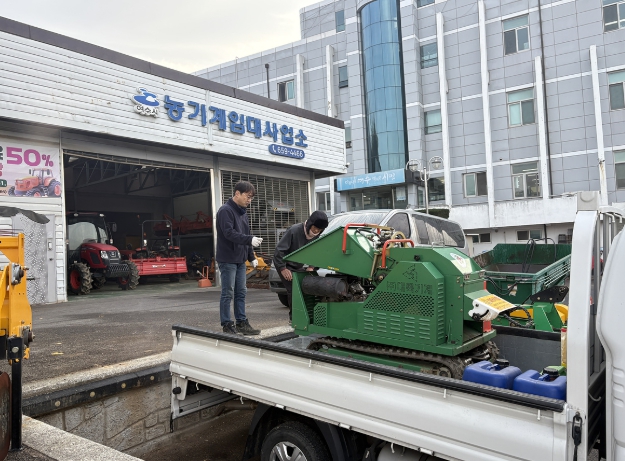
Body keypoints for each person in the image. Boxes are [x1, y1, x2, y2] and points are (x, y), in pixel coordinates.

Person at [216, 181, 263, 335]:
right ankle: (227, 324)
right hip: (228, 259)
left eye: (251, 198)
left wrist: (251, 256)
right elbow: (229, 233)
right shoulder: (225, 211)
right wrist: (249, 239)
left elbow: (245, 235)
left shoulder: (243, 213)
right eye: (247, 197)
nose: (249, 200)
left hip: (240, 260)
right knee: (228, 292)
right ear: (237, 193)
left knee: (241, 292)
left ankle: (242, 323)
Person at [273, 211, 329, 320]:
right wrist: (282, 268)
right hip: (285, 264)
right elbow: (279, 251)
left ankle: (308, 316)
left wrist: (311, 267)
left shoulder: (316, 236)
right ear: (310, 224)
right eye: (314, 228)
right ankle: (295, 318)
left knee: (308, 287)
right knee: (294, 290)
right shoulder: (294, 230)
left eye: (319, 230)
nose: (316, 231)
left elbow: (316, 253)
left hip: (298, 265)